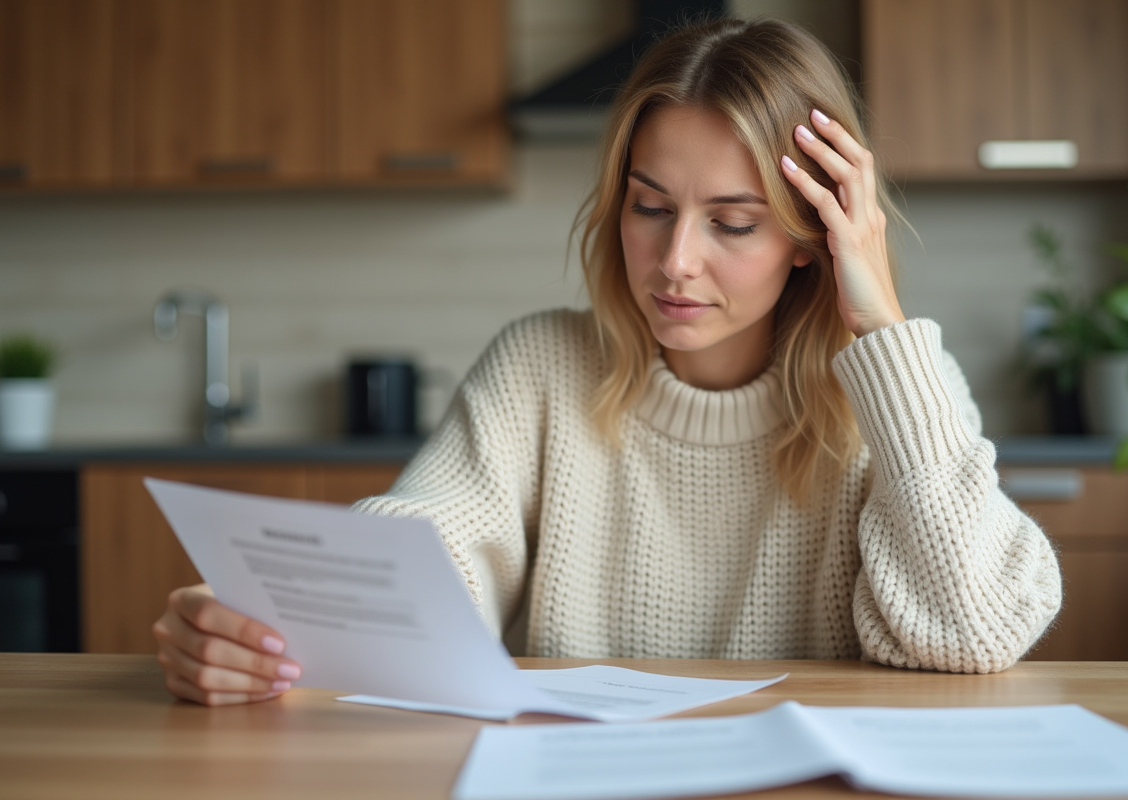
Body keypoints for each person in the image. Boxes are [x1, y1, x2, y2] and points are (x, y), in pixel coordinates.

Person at [152, 17, 1062, 706]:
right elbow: (436, 546)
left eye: (733, 223)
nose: (675, 261)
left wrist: (881, 325)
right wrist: (274, 615)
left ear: (812, 237)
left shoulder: (896, 397)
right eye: (650, 207)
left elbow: (973, 632)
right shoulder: (541, 366)